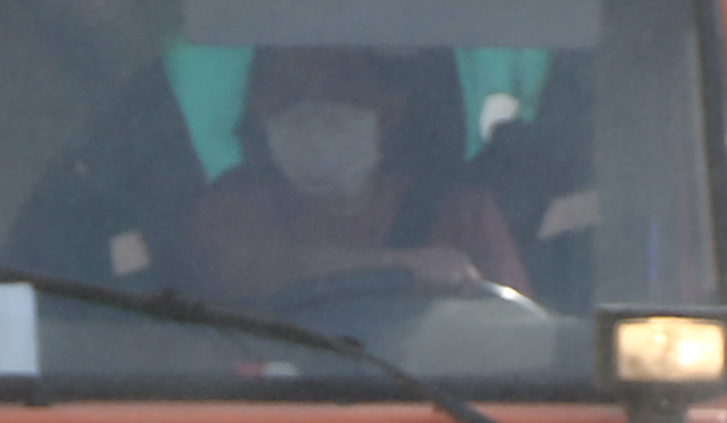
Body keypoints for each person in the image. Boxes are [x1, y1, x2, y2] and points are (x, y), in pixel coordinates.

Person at [179, 43, 527, 309]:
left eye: (339, 90)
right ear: (259, 108)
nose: (312, 110)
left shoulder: (463, 211)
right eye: (287, 92)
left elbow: (519, 340)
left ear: (389, 108)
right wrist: (402, 265)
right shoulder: (233, 208)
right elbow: (248, 275)